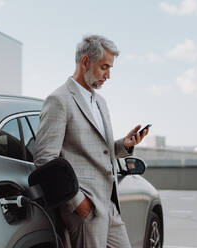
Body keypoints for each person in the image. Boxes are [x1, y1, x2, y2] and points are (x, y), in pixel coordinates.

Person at [34, 35, 148, 248]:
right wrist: (78, 203)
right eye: (104, 67)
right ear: (86, 61)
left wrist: (125, 145)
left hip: (109, 203)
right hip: (86, 208)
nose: (108, 75)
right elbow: (45, 159)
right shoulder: (59, 100)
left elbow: (100, 150)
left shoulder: (100, 102)